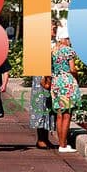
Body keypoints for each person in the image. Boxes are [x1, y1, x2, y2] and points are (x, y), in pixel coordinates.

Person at [50, 22, 82, 154]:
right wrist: (76, 77)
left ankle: (61, 143)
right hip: (67, 83)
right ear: (64, 38)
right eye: (68, 38)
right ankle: (63, 145)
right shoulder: (68, 51)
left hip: (56, 82)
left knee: (59, 114)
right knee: (67, 114)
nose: (69, 41)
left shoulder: (53, 50)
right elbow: (72, 68)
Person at [29, 20, 58, 149]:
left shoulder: (53, 44)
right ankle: (40, 139)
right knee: (41, 107)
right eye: (53, 28)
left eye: (55, 28)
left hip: (51, 78)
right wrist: (43, 79)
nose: (54, 30)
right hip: (42, 79)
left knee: (49, 109)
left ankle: (45, 138)